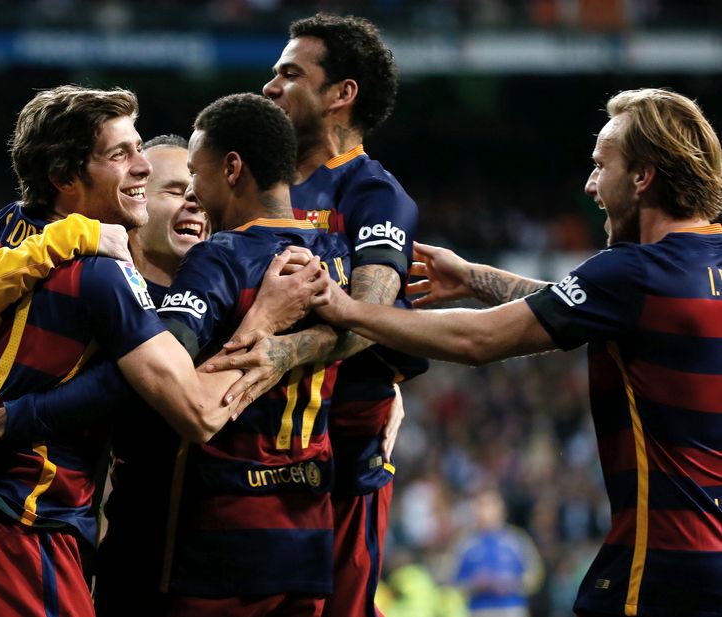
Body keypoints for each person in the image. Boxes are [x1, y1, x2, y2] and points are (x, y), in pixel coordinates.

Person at [314, 87, 722, 617]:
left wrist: (346, 309)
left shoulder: (634, 273)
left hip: (664, 567)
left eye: (601, 166)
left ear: (642, 177)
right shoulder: (675, 275)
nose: (590, 183)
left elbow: (476, 340)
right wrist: (476, 277)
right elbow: (597, 311)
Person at [0, 84, 286, 617]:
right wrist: (271, 327)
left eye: (138, 148)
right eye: (120, 154)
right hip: (23, 532)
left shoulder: (6, 232)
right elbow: (197, 409)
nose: (142, 167)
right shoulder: (101, 275)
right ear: (62, 177)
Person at [212, 14, 427, 617]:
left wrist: (284, 352)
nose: (269, 87)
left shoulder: (372, 194)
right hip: (236, 452)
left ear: (341, 93)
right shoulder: (249, 183)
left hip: (339, 463)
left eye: (289, 73)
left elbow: (372, 311)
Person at [155, 92, 351, 617]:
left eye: (196, 172)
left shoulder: (218, 258)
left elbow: (166, 370)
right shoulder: (333, 253)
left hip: (225, 541)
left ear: (232, 167)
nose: (193, 192)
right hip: (309, 536)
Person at [449, 489, 543, 617]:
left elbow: (535, 575)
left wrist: (511, 583)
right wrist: (474, 585)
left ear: (501, 508)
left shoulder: (517, 539)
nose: (485, 511)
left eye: (491, 504)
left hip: (512, 608)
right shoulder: (464, 543)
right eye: (481, 505)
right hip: (477, 610)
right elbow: (451, 581)